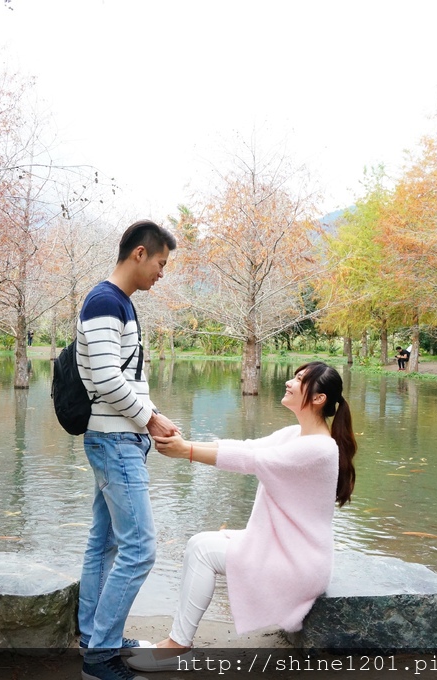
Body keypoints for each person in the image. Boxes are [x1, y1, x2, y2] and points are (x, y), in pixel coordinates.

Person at [128, 362, 357, 672]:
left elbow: (250, 460)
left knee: (202, 550)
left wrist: (187, 452)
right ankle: (177, 644)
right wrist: (187, 443)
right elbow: (246, 446)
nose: (289, 382)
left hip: (298, 562)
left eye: (300, 380)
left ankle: (177, 646)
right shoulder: (296, 435)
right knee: (202, 544)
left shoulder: (318, 449)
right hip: (284, 549)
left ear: (318, 398)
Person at [76, 220, 180, 680]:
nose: (162, 273)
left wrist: (154, 416)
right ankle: (101, 657)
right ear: (139, 254)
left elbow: (127, 379)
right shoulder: (104, 302)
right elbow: (105, 379)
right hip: (114, 440)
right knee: (140, 548)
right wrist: (149, 419)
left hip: (122, 437)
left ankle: (96, 637)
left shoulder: (121, 304)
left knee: (107, 542)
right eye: (160, 263)